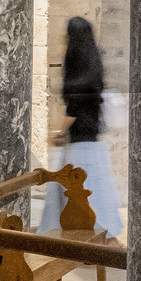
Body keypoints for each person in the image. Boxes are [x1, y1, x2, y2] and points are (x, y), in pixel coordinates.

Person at [40, 15, 123, 240]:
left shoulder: (77, 68)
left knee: (76, 190)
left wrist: (58, 132)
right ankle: (98, 233)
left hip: (79, 140)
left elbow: (74, 107)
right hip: (92, 138)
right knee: (94, 188)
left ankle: (80, 235)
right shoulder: (94, 63)